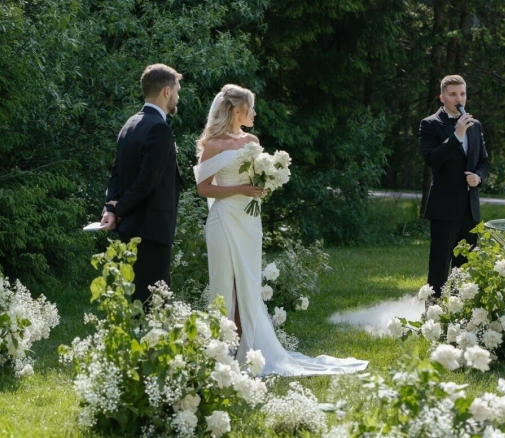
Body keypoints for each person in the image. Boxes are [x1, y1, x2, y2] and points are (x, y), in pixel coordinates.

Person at [193, 84, 368, 376]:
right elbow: (203, 188)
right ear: (236, 111)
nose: (254, 113)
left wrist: (265, 183)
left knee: (248, 282)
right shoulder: (214, 144)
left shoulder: (252, 141)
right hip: (223, 219)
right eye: (251, 108)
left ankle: (248, 347)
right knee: (224, 282)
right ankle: (222, 349)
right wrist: (240, 189)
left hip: (249, 220)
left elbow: (258, 177)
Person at [101, 63, 183, 306]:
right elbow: (147, 181)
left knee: (137, 301)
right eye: (177, 90)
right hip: (152, 230)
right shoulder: (159, 128)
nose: (177, 96)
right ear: (166, 91)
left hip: (130, 228)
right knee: (154, 304)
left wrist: (111, 208)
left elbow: (116, 174)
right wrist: (116, 208)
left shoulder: (130, 124)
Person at [420, 75, 490, 299]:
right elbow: (432, 159)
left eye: (462, 94)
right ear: (442, 97)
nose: (459, 99)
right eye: (453, 94)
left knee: (465, 269)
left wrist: (478, 177)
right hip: (444, 208)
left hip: (470, 209)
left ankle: (461, 314)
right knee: (439, 267)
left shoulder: (475, 125)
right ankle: (434, 313)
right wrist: (457, 135)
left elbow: (484, 161)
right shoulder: (430, 124)